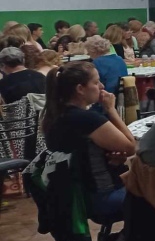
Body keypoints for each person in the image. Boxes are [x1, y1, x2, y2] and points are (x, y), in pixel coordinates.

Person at [42, 61, 136, 220]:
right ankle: (132, 240)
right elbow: (131, 147)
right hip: (103, 197)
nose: (101, 86)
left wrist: (110, 158)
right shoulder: (86, 119)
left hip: (77, 197)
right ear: (80, 89)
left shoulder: (54, 116)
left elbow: (83, 157)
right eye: (96, 82)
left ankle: (127, 238)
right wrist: (111, 110)